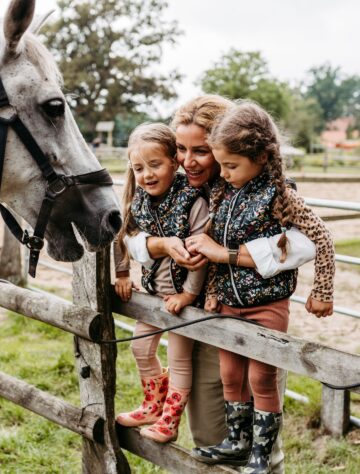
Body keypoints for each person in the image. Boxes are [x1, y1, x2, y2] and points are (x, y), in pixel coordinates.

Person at [124, 95, 317, 473]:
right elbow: (131, 235)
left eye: (201, 150)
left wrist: (224, 254)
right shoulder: (177, 188)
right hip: (193, 322)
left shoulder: (267, 189)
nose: (187, 160)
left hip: (246, 319)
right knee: (207, 434)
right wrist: (159, 245)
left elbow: (301, 245)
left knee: (253, 439)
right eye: (181, 148)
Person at [187, 101, 335, 473]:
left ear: (262, 156)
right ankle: (237, 442)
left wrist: (323, 291)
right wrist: (211, 293)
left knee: (261, 377)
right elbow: (215, 242)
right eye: (221, 165)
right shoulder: (226, 191)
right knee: (230, 375)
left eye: (231, 166)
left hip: (265, 306)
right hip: (228, 304)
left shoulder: (278, 194)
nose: (224, 173)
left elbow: (321, 235)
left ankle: (262, 452)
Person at [113, 122, 208, 443]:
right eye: (139, 168)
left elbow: (198, 254)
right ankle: (153, 405)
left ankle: (170, 419)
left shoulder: (192, 201)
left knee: (178, 359)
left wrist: (187, 293)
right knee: (140, 348)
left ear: (173, 161)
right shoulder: (139, 200)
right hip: (153, 294)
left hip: (184, 300)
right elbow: (122, 235)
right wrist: (123, 273)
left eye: (155, 165)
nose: (147, 174)